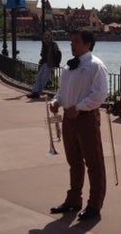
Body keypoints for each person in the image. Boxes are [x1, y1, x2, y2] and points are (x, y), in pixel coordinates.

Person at [47, 29, 108, 222]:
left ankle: (94, 204)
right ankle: (73, 199)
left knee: (94, 163)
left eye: (76, 41)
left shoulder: (95, 65)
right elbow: (61, 91)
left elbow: (99, 94)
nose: (72, 45)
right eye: (71, 41)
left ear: (87, 44)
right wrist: (56, 101)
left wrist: (79, 107)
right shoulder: (69, 67)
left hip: (86, 117)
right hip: (69, 118)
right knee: (74, 162)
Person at [27, 33, 62, 98]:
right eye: (44, 38)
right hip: (44, 63)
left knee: (43, 78)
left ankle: (37, 92)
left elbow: (59, 54)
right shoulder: (45, 45)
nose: (45, 40)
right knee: (39, 77)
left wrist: (57, 64)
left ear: (50, 38)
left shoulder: (53, 44)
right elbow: (43, 54)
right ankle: (35, 92)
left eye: (47, 38)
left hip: (49, 64)